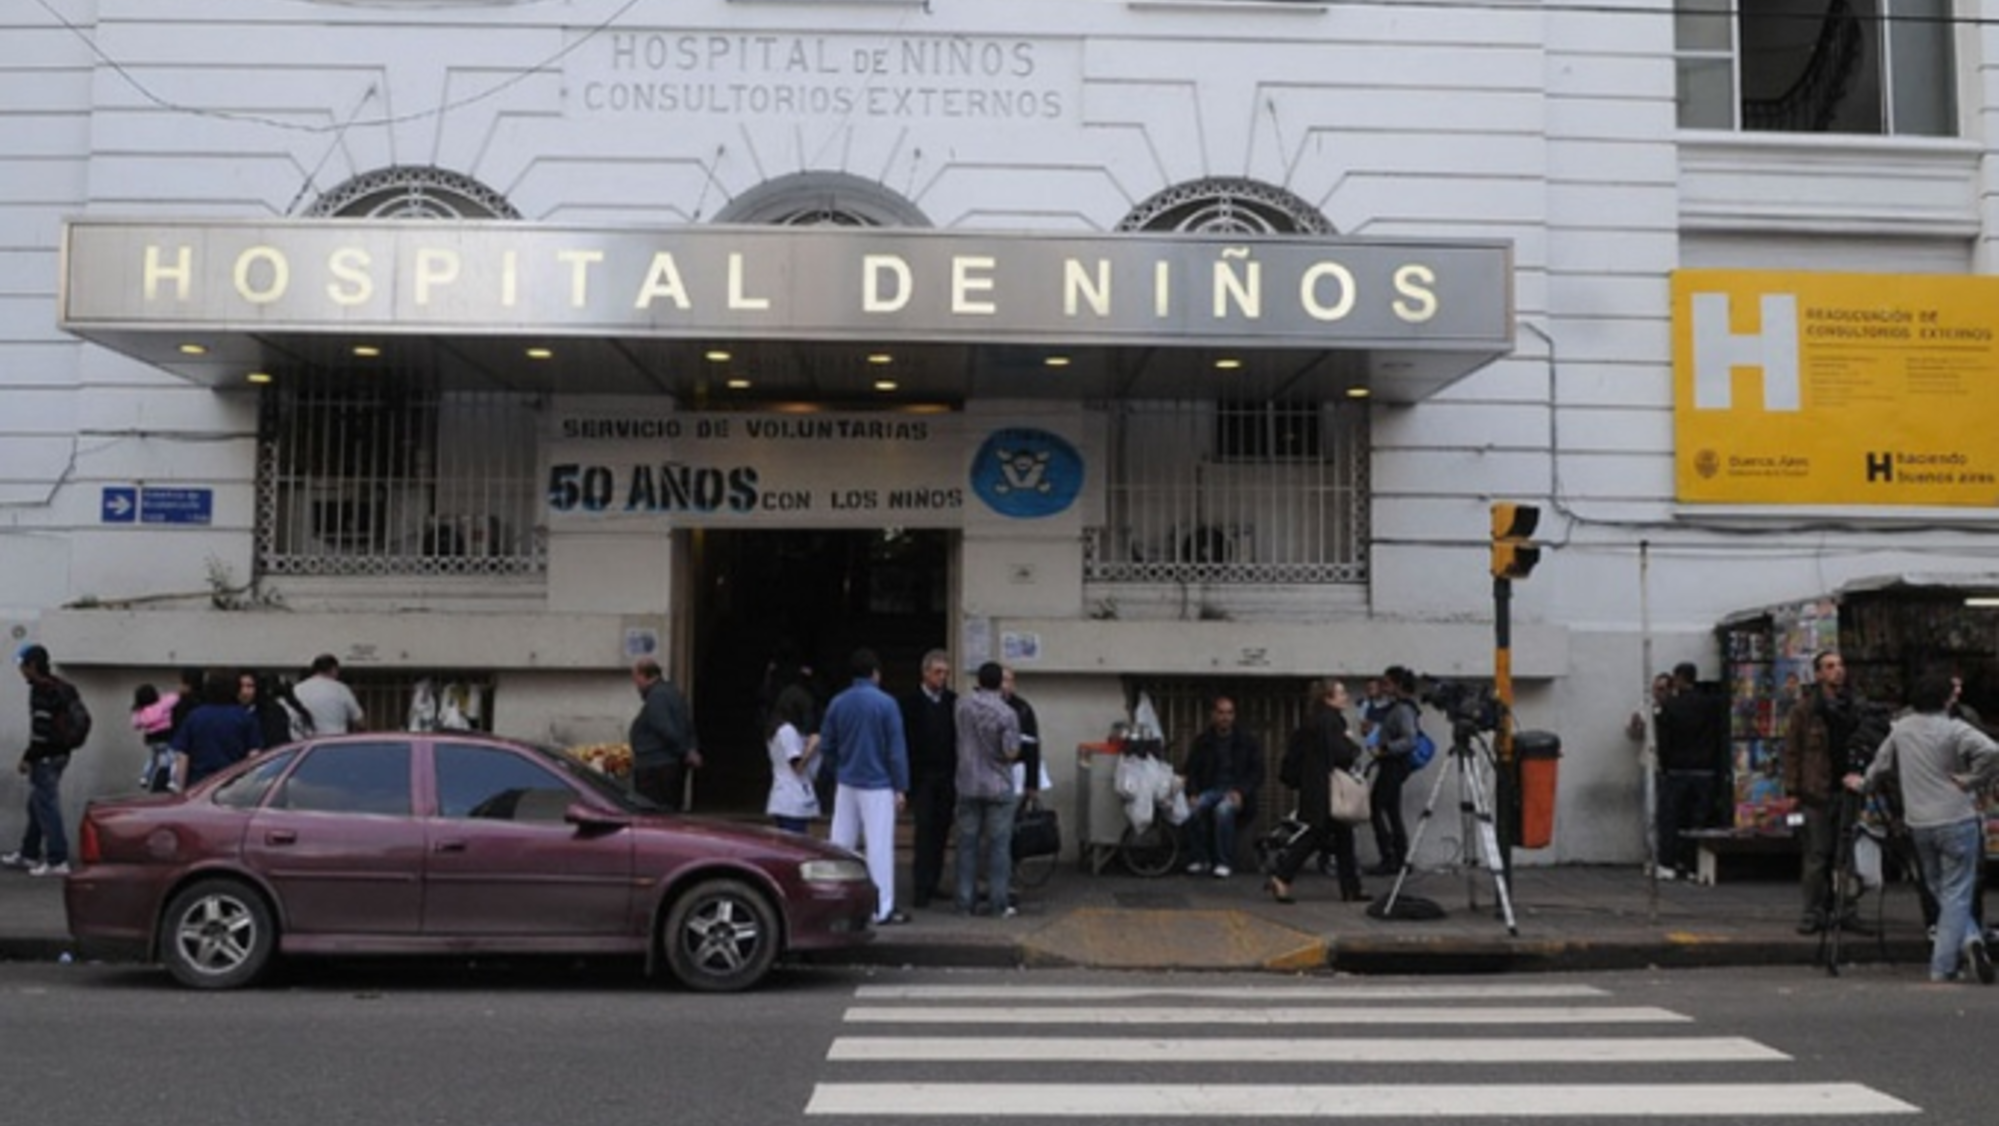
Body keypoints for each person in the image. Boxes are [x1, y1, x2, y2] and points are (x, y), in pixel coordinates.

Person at [1846, 668, 1999, 984]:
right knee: (1957, 890)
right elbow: (1992, 751)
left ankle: (1965, 943)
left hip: (1920, 821)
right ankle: (1946, 962)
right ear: (1945, 699)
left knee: (1940, 889)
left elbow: (1879, 766)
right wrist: (1973, 780)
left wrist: (1862, 784)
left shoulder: (1901, 730)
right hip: (1957, 816)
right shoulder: (1955, 729)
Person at [820, 648, 911, 925]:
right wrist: (900, 786)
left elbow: (827, 745)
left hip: (847, 782)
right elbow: (895, 751)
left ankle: (834, 902)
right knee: (879, 846)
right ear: (875, 674)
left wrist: (838, 770)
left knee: (840, 844)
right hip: (877, 783)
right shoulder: (886, 704)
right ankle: (880, 907)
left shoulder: (838, 703)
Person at [1783, 650, 1865, 935]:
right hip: (1816, 791)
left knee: (1847, 857)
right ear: (1818, 674)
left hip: (1847, 790)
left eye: (1840, 665)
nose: (1837, 671)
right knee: (1817, 856)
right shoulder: (1806, 710)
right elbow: (1792, 750)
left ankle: (1847, 909)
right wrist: (1793, 789)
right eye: (1830, 667)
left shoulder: (1854, 706)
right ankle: (1812, 912)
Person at [1269, 678, 1368, 905]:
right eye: (1340, 693)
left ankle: (1351, 888)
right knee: (1317, 834)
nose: (1345, 697)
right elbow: (1340, 753)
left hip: (1316, 785)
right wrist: (1353, 745)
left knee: (1341, 837)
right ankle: (1282, 876)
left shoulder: (1314, 721)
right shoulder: (1332, 721)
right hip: (1328, 788)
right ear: (1328, 698)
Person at [4, 645, 84, 877]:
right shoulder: (61, 687)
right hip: (61, 754)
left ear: (32, 665)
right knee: (37, 803)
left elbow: (40, 732)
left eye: (22, 665)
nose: (20, 670)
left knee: (47, 806)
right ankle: (29, 854)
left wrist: (27, 758)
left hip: (46, 757)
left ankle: (57, 859)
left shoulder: (41, 691)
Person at [953, 661, 1022, 917]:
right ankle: (998, 902)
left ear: (979, 680)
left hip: (967, 783)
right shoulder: (1007, 714)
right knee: (998, 846)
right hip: (998, 786)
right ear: (999, 683)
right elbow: (1010, 751)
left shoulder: (961, 706)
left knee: (967, 844)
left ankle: (964, 901)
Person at [1653, 661, 1728, 880]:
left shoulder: (1671, 706)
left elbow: (1664, 741)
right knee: (1699, 819)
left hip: (1678, 767)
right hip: (1705, 768)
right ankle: (1694, 864)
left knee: (1672, 818)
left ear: (1678, 679)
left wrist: (1665, 765)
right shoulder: (1710, 704)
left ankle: (1669, 862)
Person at [1178, 693, 1263, 878]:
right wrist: (1192, 793)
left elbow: (1256, 773)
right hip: (1210, 789)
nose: (1225, 717)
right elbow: (1190, 770)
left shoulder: (1247, 742)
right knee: (1191, 811)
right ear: (1213, 715)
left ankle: (1224, 862)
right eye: (1221, 712)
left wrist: (1241, 792)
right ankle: (1201, 859)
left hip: (1235, 790)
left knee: (1223, 811)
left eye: (1229, 713)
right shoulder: (1203, 742)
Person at [899, 649, 957, 909]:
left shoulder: (953, 701)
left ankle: (934, 881)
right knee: (924, 831)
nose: (942, 677)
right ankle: (920, 887)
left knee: (942, 830)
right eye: (937, 672)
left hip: (946, 775)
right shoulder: (910, 703)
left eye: (945, 673)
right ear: (925, 673)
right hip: (922, 776)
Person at [1368, 665, 1422, 875]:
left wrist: (1384, 748)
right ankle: (1400, 857)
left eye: (1387, 683)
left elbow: (1409, 740)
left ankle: (1390, 857)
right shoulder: (1400, 707)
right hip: (1393, 764)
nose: (1383, 687)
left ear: (1398, 685)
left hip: (1393, 764)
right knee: (1391, 811)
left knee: (1376, 808)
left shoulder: (1403, 710)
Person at [628, 656, 700, 812]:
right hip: (667, 765)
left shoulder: (657, 696)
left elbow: (664, 727)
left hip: (656, 768)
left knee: (655, 813)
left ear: (643, 676)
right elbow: (687, 725)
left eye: (635, 678)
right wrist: (690, 748)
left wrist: (686, 750)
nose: (635, 684)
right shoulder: (672, 692)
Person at [170, 669, 263, 789]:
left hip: (199, 785)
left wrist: (180, 788)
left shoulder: (195, 717)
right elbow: (254, 756)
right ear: (235, 689)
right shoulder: (246, 718)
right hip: (233, 785)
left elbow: (182, 756)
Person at [764, 673, 821, 834]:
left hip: (782, 796)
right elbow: (797, 766)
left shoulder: (775, 731)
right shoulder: (787, 731)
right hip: (792, 800)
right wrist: (811, 747)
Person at [292, 654, 365, 735]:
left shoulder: (298, 689)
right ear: (333, 669)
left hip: (306, 742)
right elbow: (359, 719)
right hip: (333, 742)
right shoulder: (341, 689)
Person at [130, 682, 178, 792]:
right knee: (173, 760)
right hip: (166, 737)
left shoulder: (140, 711)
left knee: (153, 760)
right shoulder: (161, 704)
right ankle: (172, 781)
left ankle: (145, 778)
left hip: (152, 740)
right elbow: (174, 698)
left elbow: (135, 724)